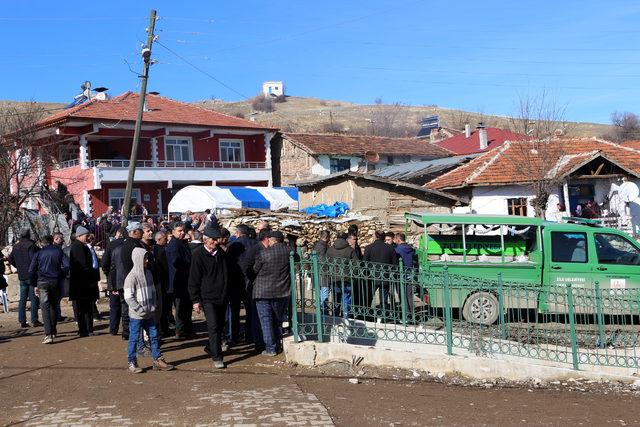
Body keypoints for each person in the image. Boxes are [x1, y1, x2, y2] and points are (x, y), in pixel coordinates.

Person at [124, 247, 174, 373]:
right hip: (137, 315)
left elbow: (152, 291)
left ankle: (157, 359)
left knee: (154, 336)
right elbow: (128, 297)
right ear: (138, 259)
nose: (147, 260)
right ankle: (132, 362)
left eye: (147, 258)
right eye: (145, 258)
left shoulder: (148, 273)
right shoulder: (131, 277)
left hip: (149, 313)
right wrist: (139, 309)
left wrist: (154, 305)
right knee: (134, 338)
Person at [189, 225, 229, 369]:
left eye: (217, 239)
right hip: (207, 298)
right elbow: (194, 279)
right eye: (213, 240)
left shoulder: (221, 254)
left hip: (222, 296)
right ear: (205, 240)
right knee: (213, 326)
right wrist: (195, 300)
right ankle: (217, 357)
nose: (215, 242)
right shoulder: (198, 255)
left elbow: (226, 275)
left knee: (220, 325)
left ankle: (211, 347)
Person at [253, 230, 292, 356]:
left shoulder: (264, 253)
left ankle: (270, 348)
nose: (268, 241)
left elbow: (255, 269)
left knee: (265, 320)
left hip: (262, 291)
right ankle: (278, 345)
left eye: (269, 240)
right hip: (281, 291)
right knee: (277, 319)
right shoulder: (290, 251)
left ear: (273, 240)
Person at [28, 235, 69, 343]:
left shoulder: (39, 253)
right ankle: (53, 330)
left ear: (42, 243)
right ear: (52, 241)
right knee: (54, 305)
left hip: (42, 281)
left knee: (45, 307)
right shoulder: (59, 251)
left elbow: (31, 270)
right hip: (55, 280)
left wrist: (34, 284)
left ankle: (48, 334)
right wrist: (60, 274)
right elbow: (67, 265)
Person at [240, 228, 270, 352]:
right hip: (252, 285)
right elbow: (246, 266)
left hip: (259, 285)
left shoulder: (263, 249)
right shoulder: (256, 249)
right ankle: (254, 339)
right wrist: (254, 278)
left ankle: (253, 337)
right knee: (254, 314)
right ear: (267, 239)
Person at [226, 224, 256, 346]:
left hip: (235, 281)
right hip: (250, 280)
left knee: (234, 311)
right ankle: (250, 335)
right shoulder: (255, 244)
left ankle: (234, 337)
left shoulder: (232, 245)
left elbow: (228, 263)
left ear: (237, 233)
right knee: (251, 310)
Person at [69, 226, 100, 336]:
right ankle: (86, 329)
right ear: (80, 236)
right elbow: (83, 266)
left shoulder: (79, 246)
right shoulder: (78, 247)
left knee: (84, 308)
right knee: (85, 308)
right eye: (86, 236)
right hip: (83, 284)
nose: (88, 238)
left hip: (82, 284)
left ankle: (85, 329)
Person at [165, 222, 194, 338]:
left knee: (186, 306)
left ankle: (186, 329)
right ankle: (180, 331)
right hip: (179, 280)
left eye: (183, 230)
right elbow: (177, 263)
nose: (182, 233)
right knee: (181, 307)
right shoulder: (174, 245)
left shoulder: (181, 243)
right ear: (173, 232)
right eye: (179, 231)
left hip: (184, 280)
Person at [9, 228, 41, 328]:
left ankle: (22, 320)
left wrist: (18, 266)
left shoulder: (16, 246)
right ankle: (34, 320)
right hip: (31, 274)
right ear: (29, 235)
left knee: (22, 299)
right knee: (33, 298)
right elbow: (34, 260)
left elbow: (11, 260)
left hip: (22, 275)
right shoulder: (31, 245)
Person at [363, 230, 398, 317]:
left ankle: (365, 315)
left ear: (375, 236)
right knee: (384, 298)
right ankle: (384, 315)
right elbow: (395, 264)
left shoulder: (368, 248)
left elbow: (364, 264)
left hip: (372, 276)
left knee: (369, 296)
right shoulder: (390, 248)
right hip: (385, 276)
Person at [325, 232, 359, 318]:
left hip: (334, 278)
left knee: (336, 299)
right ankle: (346, 318)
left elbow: (325, 264)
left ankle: (335, 317)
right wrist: (353, 277)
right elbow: (356, 265)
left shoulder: (330, 250)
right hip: (347, 279)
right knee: (346, 298)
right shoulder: (350, 250)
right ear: (346, 239)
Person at [102, 227, 126, 335]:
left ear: (118, 233)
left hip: (114, 278)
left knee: (115, 306)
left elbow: (105, 263)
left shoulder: (111, 245)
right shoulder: (130, 244)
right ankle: (127, 328)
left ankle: (113, 329)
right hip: (126, 279)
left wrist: (108, 275)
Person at [394, 233, 417, 322]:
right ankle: (413, 316)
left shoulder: (398, 249)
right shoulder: (410, 248)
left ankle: (406, 317)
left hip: (402, 274)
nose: (395, 241)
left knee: (403, 296)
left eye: (395, 239)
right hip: (410, 273)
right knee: (410, 296)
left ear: (399, 240)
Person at [153, 231, 173, 337]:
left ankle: (164, 328)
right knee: (164, 308)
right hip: (162, 282)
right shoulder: (161, 251)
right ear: (159, 239)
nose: (166, 240)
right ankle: (164, 329)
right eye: (164, 238)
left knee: (164, 308)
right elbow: (166, 268)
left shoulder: (157, 249)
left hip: (162, 281)